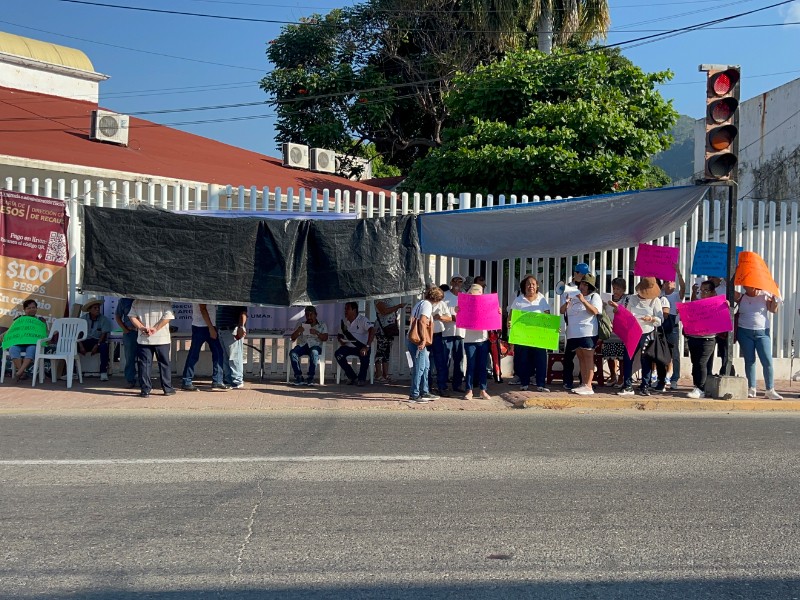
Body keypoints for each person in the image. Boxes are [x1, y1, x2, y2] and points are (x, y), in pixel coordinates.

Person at [612, 277, 663, 397]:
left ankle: (645, 385)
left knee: (646, 360)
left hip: (647, 332)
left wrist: (651, 319)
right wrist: (618, 311)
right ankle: (627, 385)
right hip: (632, 331)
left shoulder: (655, 300)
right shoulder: (633, 299)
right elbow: (627, 314)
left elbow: (661, 319)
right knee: (627, 358)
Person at [735, 286, 783, 400]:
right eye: (745, 285)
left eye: (749, 285)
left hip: (762, 332)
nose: (746, 287)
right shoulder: (741, 296)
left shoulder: (765, 296)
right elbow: (727, 293)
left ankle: (770, 389)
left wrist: (775, 298)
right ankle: (752, 388)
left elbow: (773, 310)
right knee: (749, 360)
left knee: (767, 360)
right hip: (744, 332)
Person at [561, 273, 602, 395]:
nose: (582, 286)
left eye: (585, 284)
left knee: (588, 357)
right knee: (581, 358)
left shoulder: (594, 296)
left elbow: (595, 311)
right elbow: (562, 311)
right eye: (582, 284)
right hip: (574, 332)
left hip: (588, 331)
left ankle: (589, 385)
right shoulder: (572, 296)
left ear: (590, 287)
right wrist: (567, 303)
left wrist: (583, 300)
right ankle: (584, 383)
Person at [508, 274, 551, 392]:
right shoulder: (518, 300)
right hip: (523, 336)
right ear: (524, 286)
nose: (530, 286)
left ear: (537, 286)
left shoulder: (542, 299)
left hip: (539, 336)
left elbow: (547, 317)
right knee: (523, 359)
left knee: (540, 359)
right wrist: (510, 325)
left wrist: (552, 329)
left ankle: (541, 384)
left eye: (533, 284)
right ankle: (524, 383)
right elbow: (511, 317)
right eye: (528, 284)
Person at [128, 299, 175, 398]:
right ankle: (167, 389)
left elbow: (132, 316)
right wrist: (156, 328)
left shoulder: (137, 301)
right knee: (164, 364)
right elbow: (168, 317)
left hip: (144, 338)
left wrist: (141, 327)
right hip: (162, 338)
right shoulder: (164, 301)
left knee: (144, 364)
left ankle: (145, 390)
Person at [685, 281, 719, 399]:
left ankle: (701, 388)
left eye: (706, 290)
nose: (703, 293)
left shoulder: (716, 304)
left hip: (708, 338)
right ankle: (698, 386)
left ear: (712, 292)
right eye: (701, 290)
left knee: (702, 363)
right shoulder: (697, 303)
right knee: (695, 362)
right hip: (694, 337)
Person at [181, 303, 227, 391]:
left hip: (207, 326)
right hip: (201, 327)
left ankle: (217, 380)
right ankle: (187, 381)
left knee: (218, 352)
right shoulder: (202, 292)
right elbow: (203, 309)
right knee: (194, 354)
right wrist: (211, 328)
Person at [1, 299, 47, 383]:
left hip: (32, 343)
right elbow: (12, 330)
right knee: (13, 349)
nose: (31, 309)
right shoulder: (18, 319)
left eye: (33, 307)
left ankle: (19, 373)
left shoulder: (40, 320)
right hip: (19, 343)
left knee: (31, 349)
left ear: (36, 309)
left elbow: (45, 332)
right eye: (29, 308)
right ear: (24, 310)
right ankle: (22, 372)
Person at [406, 287, 439, 404]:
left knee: (425, 366)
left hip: (414, 339)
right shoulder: (427, 305)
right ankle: (414, 394)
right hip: (418, 340)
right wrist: (424, 339)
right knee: (419, 367)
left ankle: (424, 391)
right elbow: (422, 321)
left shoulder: (420, 303)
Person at [560, 262, 590, 389]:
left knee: (585, 355)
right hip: (572, 326)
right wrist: (567, 303)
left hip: (585, 326)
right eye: (581, 274)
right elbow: (562, 309)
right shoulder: (567, 288)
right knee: (569, 355)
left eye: (585, 275)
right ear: (575, 273)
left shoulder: (588, 288)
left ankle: (584, 380)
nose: (583, 277)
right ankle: (567, 380)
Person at [461, 284, 493, 400]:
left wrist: (497, 312)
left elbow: (493, 319)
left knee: (482, 366)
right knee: (471, 365)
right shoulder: (465, 305)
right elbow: (457, 314)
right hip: (470, 340)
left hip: (483, 339)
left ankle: (483, 390)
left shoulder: (486, 305)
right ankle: (469, 390)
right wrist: (457, 310)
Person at [334, 302, 375, 386]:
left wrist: (367, 346)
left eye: (347, 309)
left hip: (362, 346)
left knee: (364, 355)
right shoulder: (344, 322)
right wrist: (341, 340)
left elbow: (372, 329)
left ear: (354, 310)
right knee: (338, 354)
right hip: (348, 346)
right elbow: (340, 335)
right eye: (345, 309)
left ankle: (361, 379)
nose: (345, 311)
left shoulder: (362, 320)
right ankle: (352, 376)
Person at [659, 265, 686, 390]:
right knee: (660, 352)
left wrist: (678, 273)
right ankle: (661, 377)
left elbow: (683, 288)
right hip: (660, 326)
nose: (669, 283)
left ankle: (675, 378)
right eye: (666, 281)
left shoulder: (676, 295)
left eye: (671, 281)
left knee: (675, 353)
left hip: (673, 327)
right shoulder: (660, 295)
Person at [289, 305, 329, 386]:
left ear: (315, 315)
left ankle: (310, 377)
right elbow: (292, 337)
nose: (309, 317)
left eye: (311, 314)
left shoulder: (322, 324)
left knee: (314, 353)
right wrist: (298, 331)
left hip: (315, 345)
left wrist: (317, 332)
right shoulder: (301, 324)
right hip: (303, 345)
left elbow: (325, 338)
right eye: (307, 315)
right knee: (293, 353)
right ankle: (299, 376)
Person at [77, 298, 113, 381]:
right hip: (84, 341)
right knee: (71, 346)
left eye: (98, 308)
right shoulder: (83, 319)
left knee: (104, 346)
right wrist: (81, 345)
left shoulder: (103, 319)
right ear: (89, 309)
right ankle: (73, 372)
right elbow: (77, 334)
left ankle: (103, 372)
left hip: (97, 342)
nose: (97, 310)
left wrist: (97, 345)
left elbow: (104, 335)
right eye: (95, 308)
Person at [442, 274, 466, 393]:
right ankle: (443, 384)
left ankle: (457, 384)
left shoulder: (465, 296)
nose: (457, 283)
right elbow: (440, 313)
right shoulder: (444, 296)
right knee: (445, 359)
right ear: (451, 282)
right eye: (455, 281)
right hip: (446, 332)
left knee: (459, 359)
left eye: (460, 281)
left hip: (460, 332)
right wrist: (453, 317)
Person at [602, 277, 627, 388]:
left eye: (619, 289)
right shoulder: (608, 299)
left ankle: (621, 377)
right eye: (614, 288)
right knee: (610, 355)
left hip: (621, 331)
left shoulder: (626, 300)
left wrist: (619, 310)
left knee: (621, 356)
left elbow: (628, 313)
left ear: (623, 290)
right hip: (610, 330)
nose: (616, 291)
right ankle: (613, 376)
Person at [216, 305, 248, 390]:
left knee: (234, 357)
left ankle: (237, 381)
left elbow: (243, 312)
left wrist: (241, 327)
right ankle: (228, 380)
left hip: (232, 329)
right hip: (222, 329)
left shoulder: (238, 298)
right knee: (225, 357)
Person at [373, 298, 405, 383]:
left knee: (387, 352)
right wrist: (397, 307)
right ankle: (378, 374)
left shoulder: (389, 298)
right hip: (382, 328)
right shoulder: (378, 299)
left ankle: (385, 374)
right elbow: (384, 311)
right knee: (380, 351)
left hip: (390, 327)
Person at [430, 287, 454, 396]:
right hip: (426, 334)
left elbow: (449, 318)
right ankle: (427, 387)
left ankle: (442, 386)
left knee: (441, 362)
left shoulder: (442, 304)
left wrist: (440, 317)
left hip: (438, 335)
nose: (438, 300)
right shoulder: (424, 304)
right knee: (427, 363)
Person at [114, 297, 139, 389]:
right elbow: (117, 316)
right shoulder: (123, 300)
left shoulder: (144, 299)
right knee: (129, 357)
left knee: (144, 357)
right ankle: (130, 380)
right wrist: (124, 329)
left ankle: (143, 380)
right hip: (130, 332)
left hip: (143, 332)